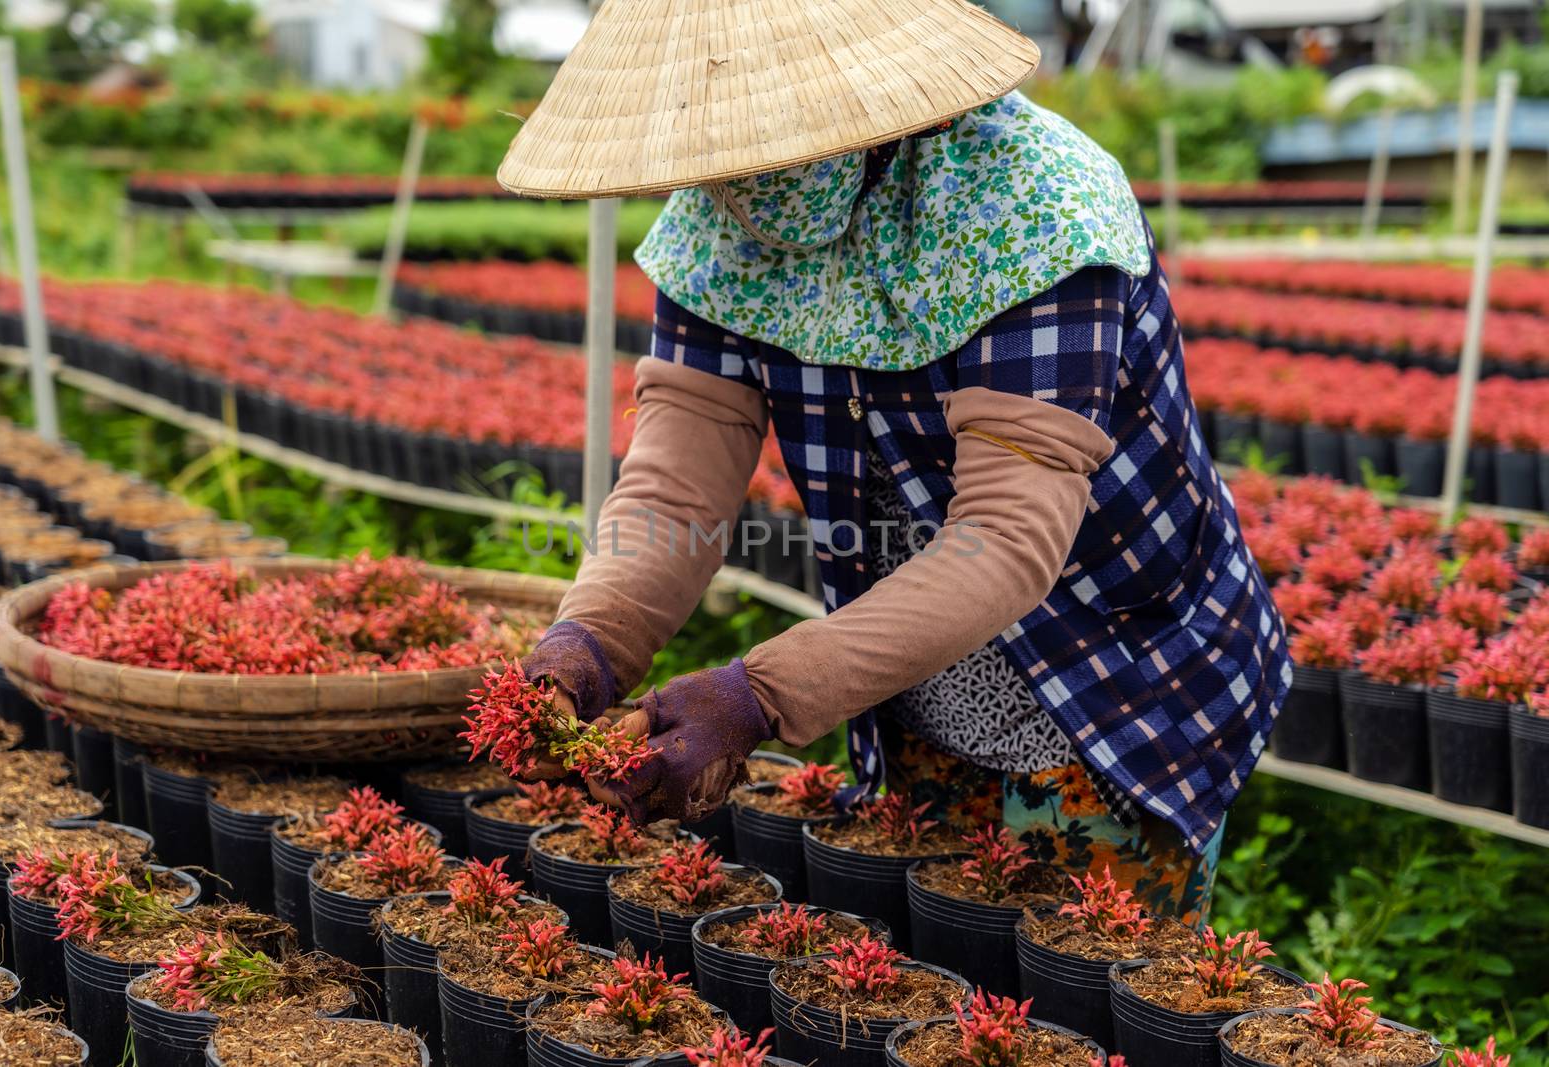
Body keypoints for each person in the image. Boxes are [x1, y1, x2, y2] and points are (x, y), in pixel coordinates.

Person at [495, 0, 1290, 924]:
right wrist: (589, 642)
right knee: (933, 991)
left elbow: (1005, 539)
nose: (729, 173)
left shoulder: (1032, 205)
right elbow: (678, 484)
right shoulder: (721, 216)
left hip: (1109, 686)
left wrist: (758, 693)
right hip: (908, 680)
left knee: (1074, 1004)